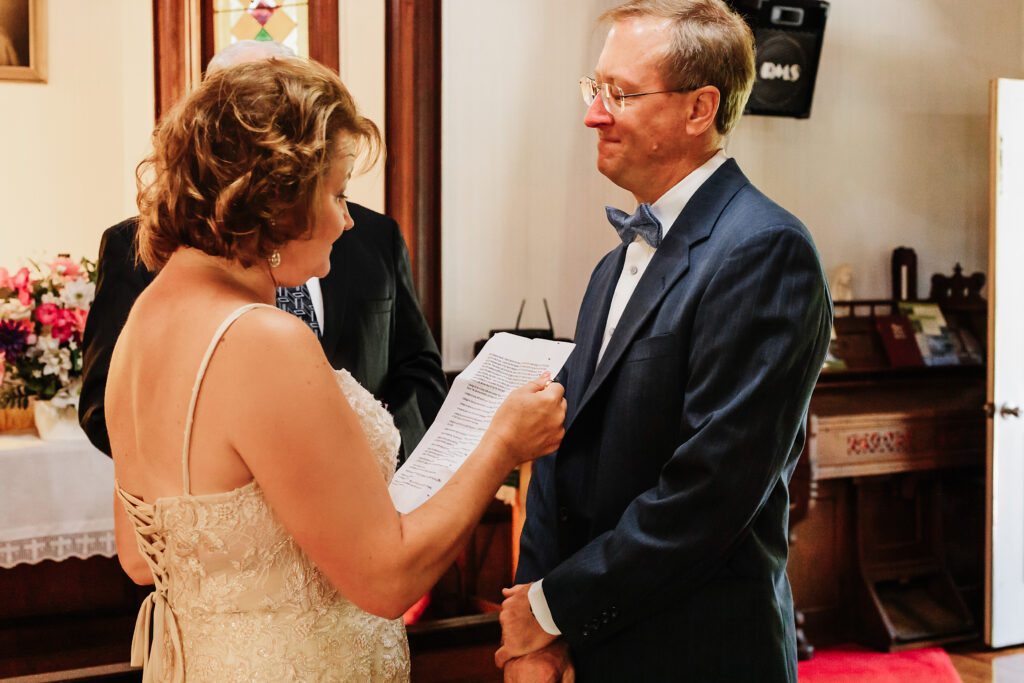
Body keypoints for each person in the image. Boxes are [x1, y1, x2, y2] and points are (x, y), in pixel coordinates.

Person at [107, 57, 566, 680]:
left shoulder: (145, 320)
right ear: (278, 198)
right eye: (338, 192)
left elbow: (140, 557)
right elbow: (386, 581)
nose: (347, 219)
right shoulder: (262, 338)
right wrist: (503, 444)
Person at [496, 1, 833, 681]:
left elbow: (708, 494)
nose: (593, 114)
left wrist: (553, 605)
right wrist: (539, 625)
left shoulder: (766, 251)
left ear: (698, 108)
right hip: (595, 645)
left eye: (617, 93)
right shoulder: (610, 266)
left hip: (697, 652)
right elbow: (561, 456)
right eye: (595, 91)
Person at [80, 40, 447, 464]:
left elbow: (417, 366)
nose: (346, 219)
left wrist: (384, 450)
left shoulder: (375, 235)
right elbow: (110, 407)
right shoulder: (141, 255)